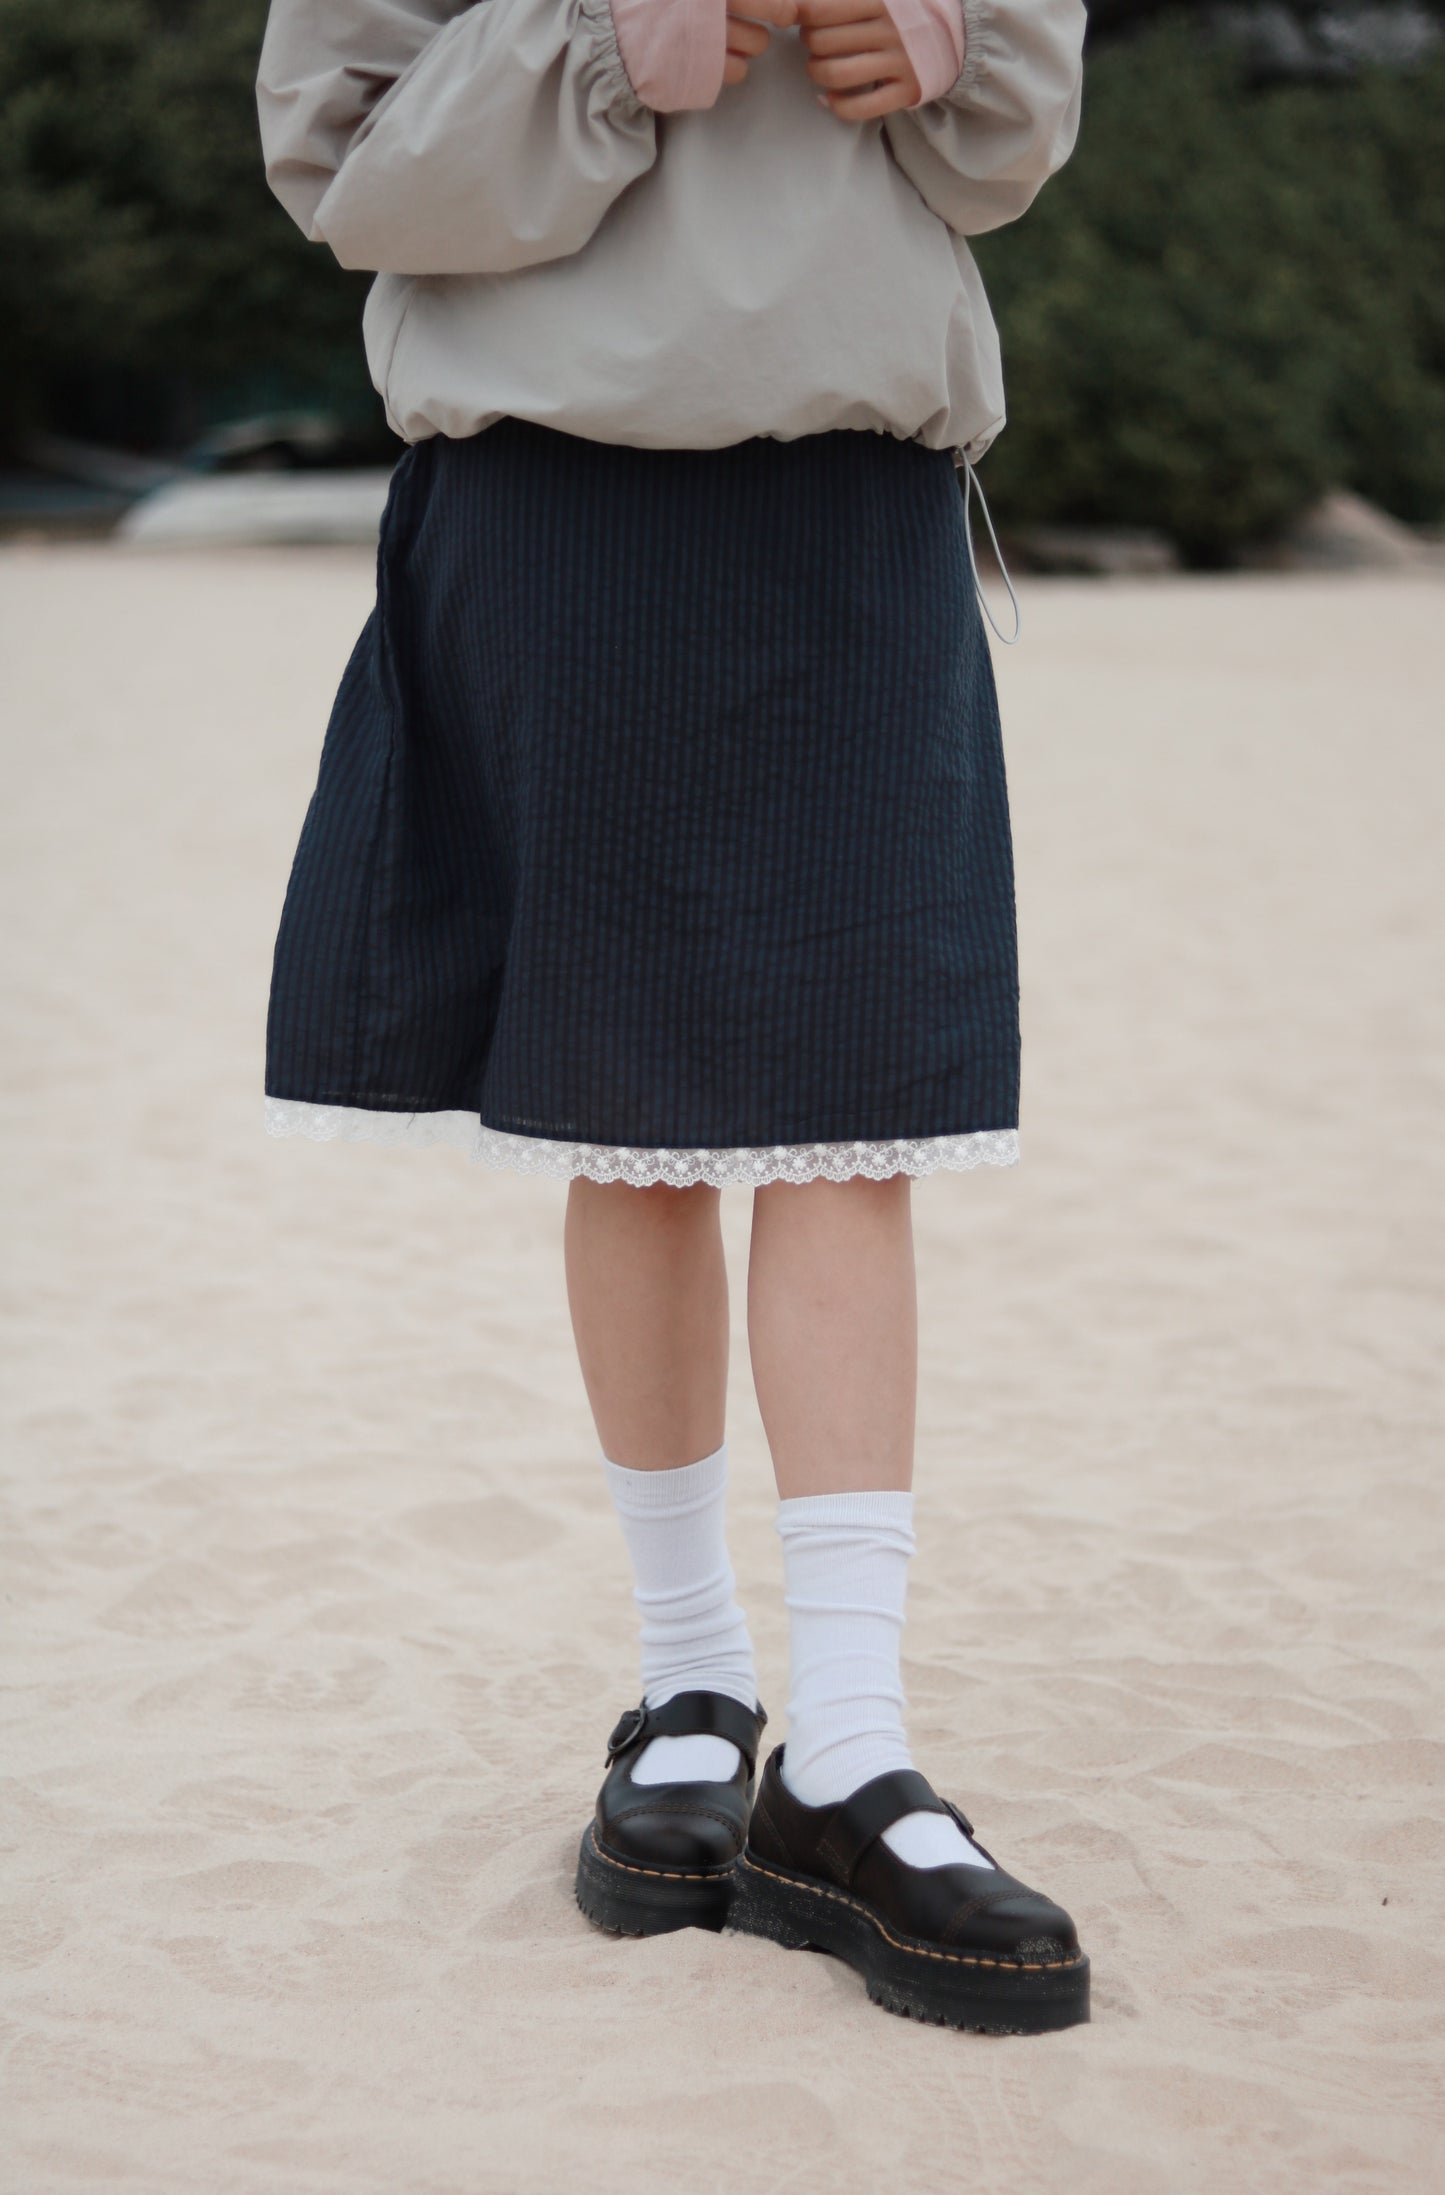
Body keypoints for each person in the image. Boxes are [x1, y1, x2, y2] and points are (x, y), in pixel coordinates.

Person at [256, 0, 1090, 2034]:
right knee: (615, 1116)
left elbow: (1008, 141)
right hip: (556, 498)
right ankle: (694, 1683)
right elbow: (342, 167)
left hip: (858, 496)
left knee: (855, 1118)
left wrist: (947, 44)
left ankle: (850, 1755)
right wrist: (608, 52)